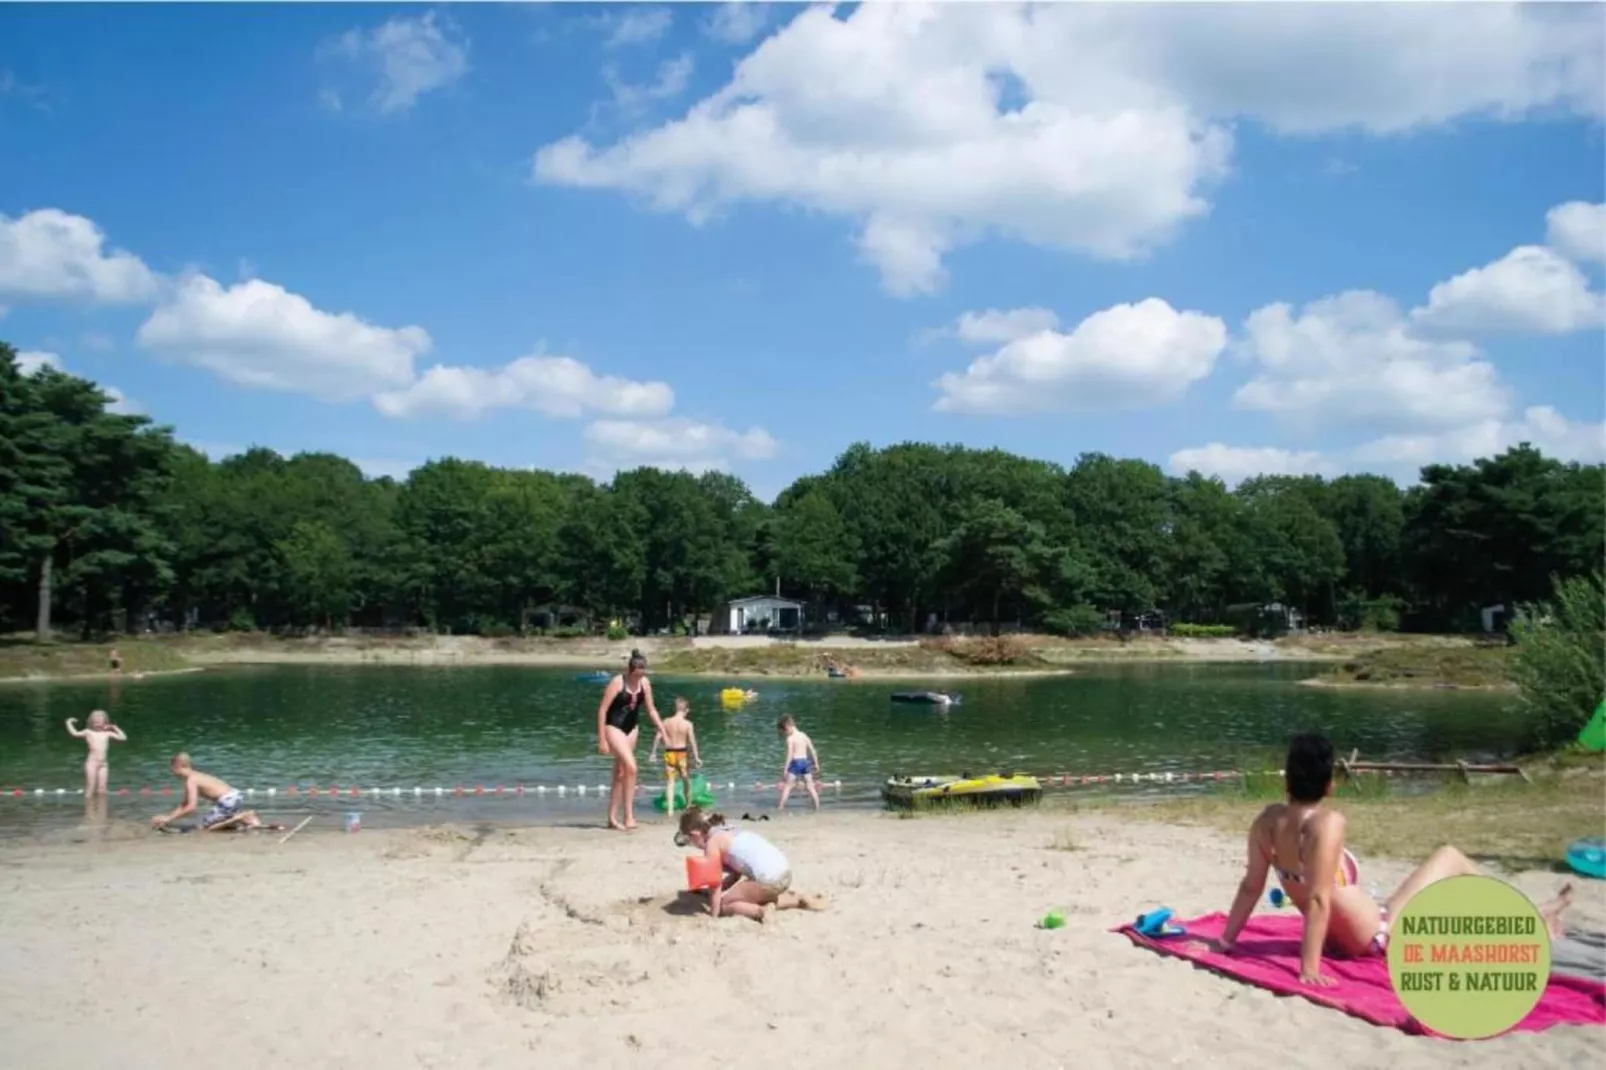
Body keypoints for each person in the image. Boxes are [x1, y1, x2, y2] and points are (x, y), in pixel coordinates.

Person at [1203, 732, 1574, 986]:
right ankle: (1526, 919)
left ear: (1287, 781)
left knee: (1437, 895)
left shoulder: (1267, 822)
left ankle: (1531, 914)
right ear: (1330, 784)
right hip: (1376, 935)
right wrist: (1309, 969)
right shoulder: (1326, 823)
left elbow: (1251, 886)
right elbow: (1318, 899)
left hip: (1354, 932)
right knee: (1450, 856)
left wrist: (1226, 941)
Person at [676, 806, 821, 922]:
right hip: (784, 873)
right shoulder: (728, 829)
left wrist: (715, 913)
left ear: (695, 834)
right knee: (752, 896)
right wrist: (707, 892)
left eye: (690, 840)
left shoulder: (712, 843)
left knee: (725, 904)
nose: (693, 845)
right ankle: (796, 900)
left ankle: (760, 912)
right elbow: (736, 874)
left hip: (768, 880)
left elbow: (715, 885)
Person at [595, 649, 667, 831]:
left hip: (632, 728)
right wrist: (602, 739)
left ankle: (625, 817)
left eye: (641, 675)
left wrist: (662, 729)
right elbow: (603, 709)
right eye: (635, 675)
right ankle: (616, 817)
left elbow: (651, 709)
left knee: (621, 773)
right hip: (613, 726)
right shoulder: (617, 682)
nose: (638, 678)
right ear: (629, 671)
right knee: (632, 767)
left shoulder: (645, 683)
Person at [149, 753, 262, 832]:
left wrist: (169, 819)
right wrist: (168, 817)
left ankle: (241, 817)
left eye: (172, 770)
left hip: (227, 800)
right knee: (222, 824)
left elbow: (191, 807)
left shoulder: (191, 780)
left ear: (177, 766)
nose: (173, 773)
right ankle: (246, 821)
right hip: (234, 796)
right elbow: (184, 804)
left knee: (204, 828)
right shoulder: (196, 776)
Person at [648, 696, 702, 817]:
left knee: (670, 782)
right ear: (686, 710)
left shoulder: (666, 722)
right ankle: (688, 805)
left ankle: (670, 811)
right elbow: (692, 741)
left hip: (669, 753)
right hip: (682, 754)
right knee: (686, 780)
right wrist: (697, 757)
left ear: (675, 709)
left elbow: (657, 737)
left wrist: (653, 753)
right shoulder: (688, 724)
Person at [65, 710, 126, 796]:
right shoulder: (88, 732)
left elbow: (123, 738)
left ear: (105, 722)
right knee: (91, 787)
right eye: (95, 719)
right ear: (91, 722)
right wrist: (68, 722)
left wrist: (114, 727)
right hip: (92, 763)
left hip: (103, 764)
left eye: (100, 718)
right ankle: (88, 803)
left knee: (102, 789)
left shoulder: (107, 733)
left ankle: (101, 804)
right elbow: (75, 733)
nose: (97, 720)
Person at [776, 714, 822, 812]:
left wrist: (785, 768)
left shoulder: (790, 739)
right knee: (810, 787)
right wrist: (816, 763)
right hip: (805, 762)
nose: (785, 734)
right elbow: (812, 750)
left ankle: (780, 808)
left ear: (787, 727)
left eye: (785, 732)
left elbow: (790, 754)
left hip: (795, 763)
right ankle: (817, 808)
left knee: (788, 786)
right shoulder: (804, 735)